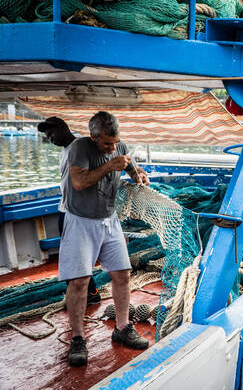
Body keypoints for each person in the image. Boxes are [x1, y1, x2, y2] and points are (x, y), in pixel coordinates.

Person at [59, 111, 150, 367]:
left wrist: (138, 174)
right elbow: (78, 182)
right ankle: (78, 339)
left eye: (115, 142)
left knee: (122, 274)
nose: (113, 148)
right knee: (79, 281)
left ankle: (122, 327)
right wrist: (110, 165)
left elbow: (129, 165)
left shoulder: (118, 144)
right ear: (93, 137)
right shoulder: (79, 148)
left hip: (109, 220)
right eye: (107, 144)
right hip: (80, 221)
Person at [37, 117, 101, 305]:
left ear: (63, 127)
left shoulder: (83, 146)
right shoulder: (63, 152)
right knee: (70, 255)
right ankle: (83, 291)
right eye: (47, 137)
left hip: (79, 212)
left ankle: (89, 293)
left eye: (51, 134)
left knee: (76, 255)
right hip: (65, 209)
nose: (50, 139)